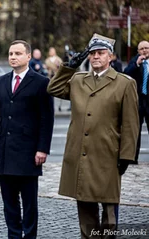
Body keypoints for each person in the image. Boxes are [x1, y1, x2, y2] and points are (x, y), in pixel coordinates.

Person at [47, 33, 139, 238]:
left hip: (107, 155)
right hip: (81, 155)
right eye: (92, 53)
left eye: (101, 53)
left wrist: (126, 156)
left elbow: (131, 124)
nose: (96, 56)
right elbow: (53, 88)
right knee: (85, 208)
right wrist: (68, 67)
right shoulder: (78, 80)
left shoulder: (124, 83)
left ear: (111, 57)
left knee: (109, 213)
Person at [0, 40, 54, 238]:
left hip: (28, 152)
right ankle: (14, 235)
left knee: (30, 202)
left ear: (28, 57)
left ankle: (30, 235)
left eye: (17, 53)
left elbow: (46, 119)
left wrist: (42, 149)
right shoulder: (1, 81)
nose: (13, 57)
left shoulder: (41, 82)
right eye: (10, 54)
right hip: (5, 151)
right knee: (9, 203)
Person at [124, 40, 149, 164]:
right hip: (138, 102)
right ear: (138, 51)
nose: (144, 50)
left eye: (146, 48)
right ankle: (134, 159)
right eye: (141, 49)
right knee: (135, 131)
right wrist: (137, 64)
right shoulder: (135, 61)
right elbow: (126, 74)